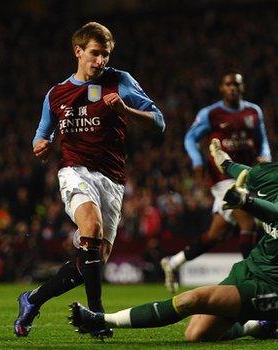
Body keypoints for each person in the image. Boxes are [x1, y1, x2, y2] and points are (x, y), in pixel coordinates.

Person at [70, 120, 278, 342]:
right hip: (255, 267)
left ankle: (100, 319)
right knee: (196, 334)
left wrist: (244, 202)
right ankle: (257, 325)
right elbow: (247, 173)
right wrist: (225, 162)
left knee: (191, 299)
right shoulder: (270, 172)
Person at [14, 22, 165, 339]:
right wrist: (39, 146)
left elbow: (158, 122)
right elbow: (42, 135)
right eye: (95, 54)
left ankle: (32, 299)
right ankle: (97, 316)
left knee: (91, 262)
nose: (100, 61)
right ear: (78, 51)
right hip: (74, 171)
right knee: (91, 229)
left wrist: (126, 110)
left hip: (112, 180)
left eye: (106, 55)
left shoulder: (119, 81)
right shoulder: (57, 94)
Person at [160, 70, 271, 293]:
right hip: (223, 178)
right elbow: (190, 138)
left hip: (248, 176)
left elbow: (263, 141)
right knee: (248, 222)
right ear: (222, 88)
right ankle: (253, 281)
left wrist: (266, 157)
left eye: (237, 84)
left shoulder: (253, 111)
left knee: (215, 235)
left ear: (243, 88)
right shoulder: (211, 114)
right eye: (229, 84)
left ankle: (173, 263)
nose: (233, 88)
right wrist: (197, 161)